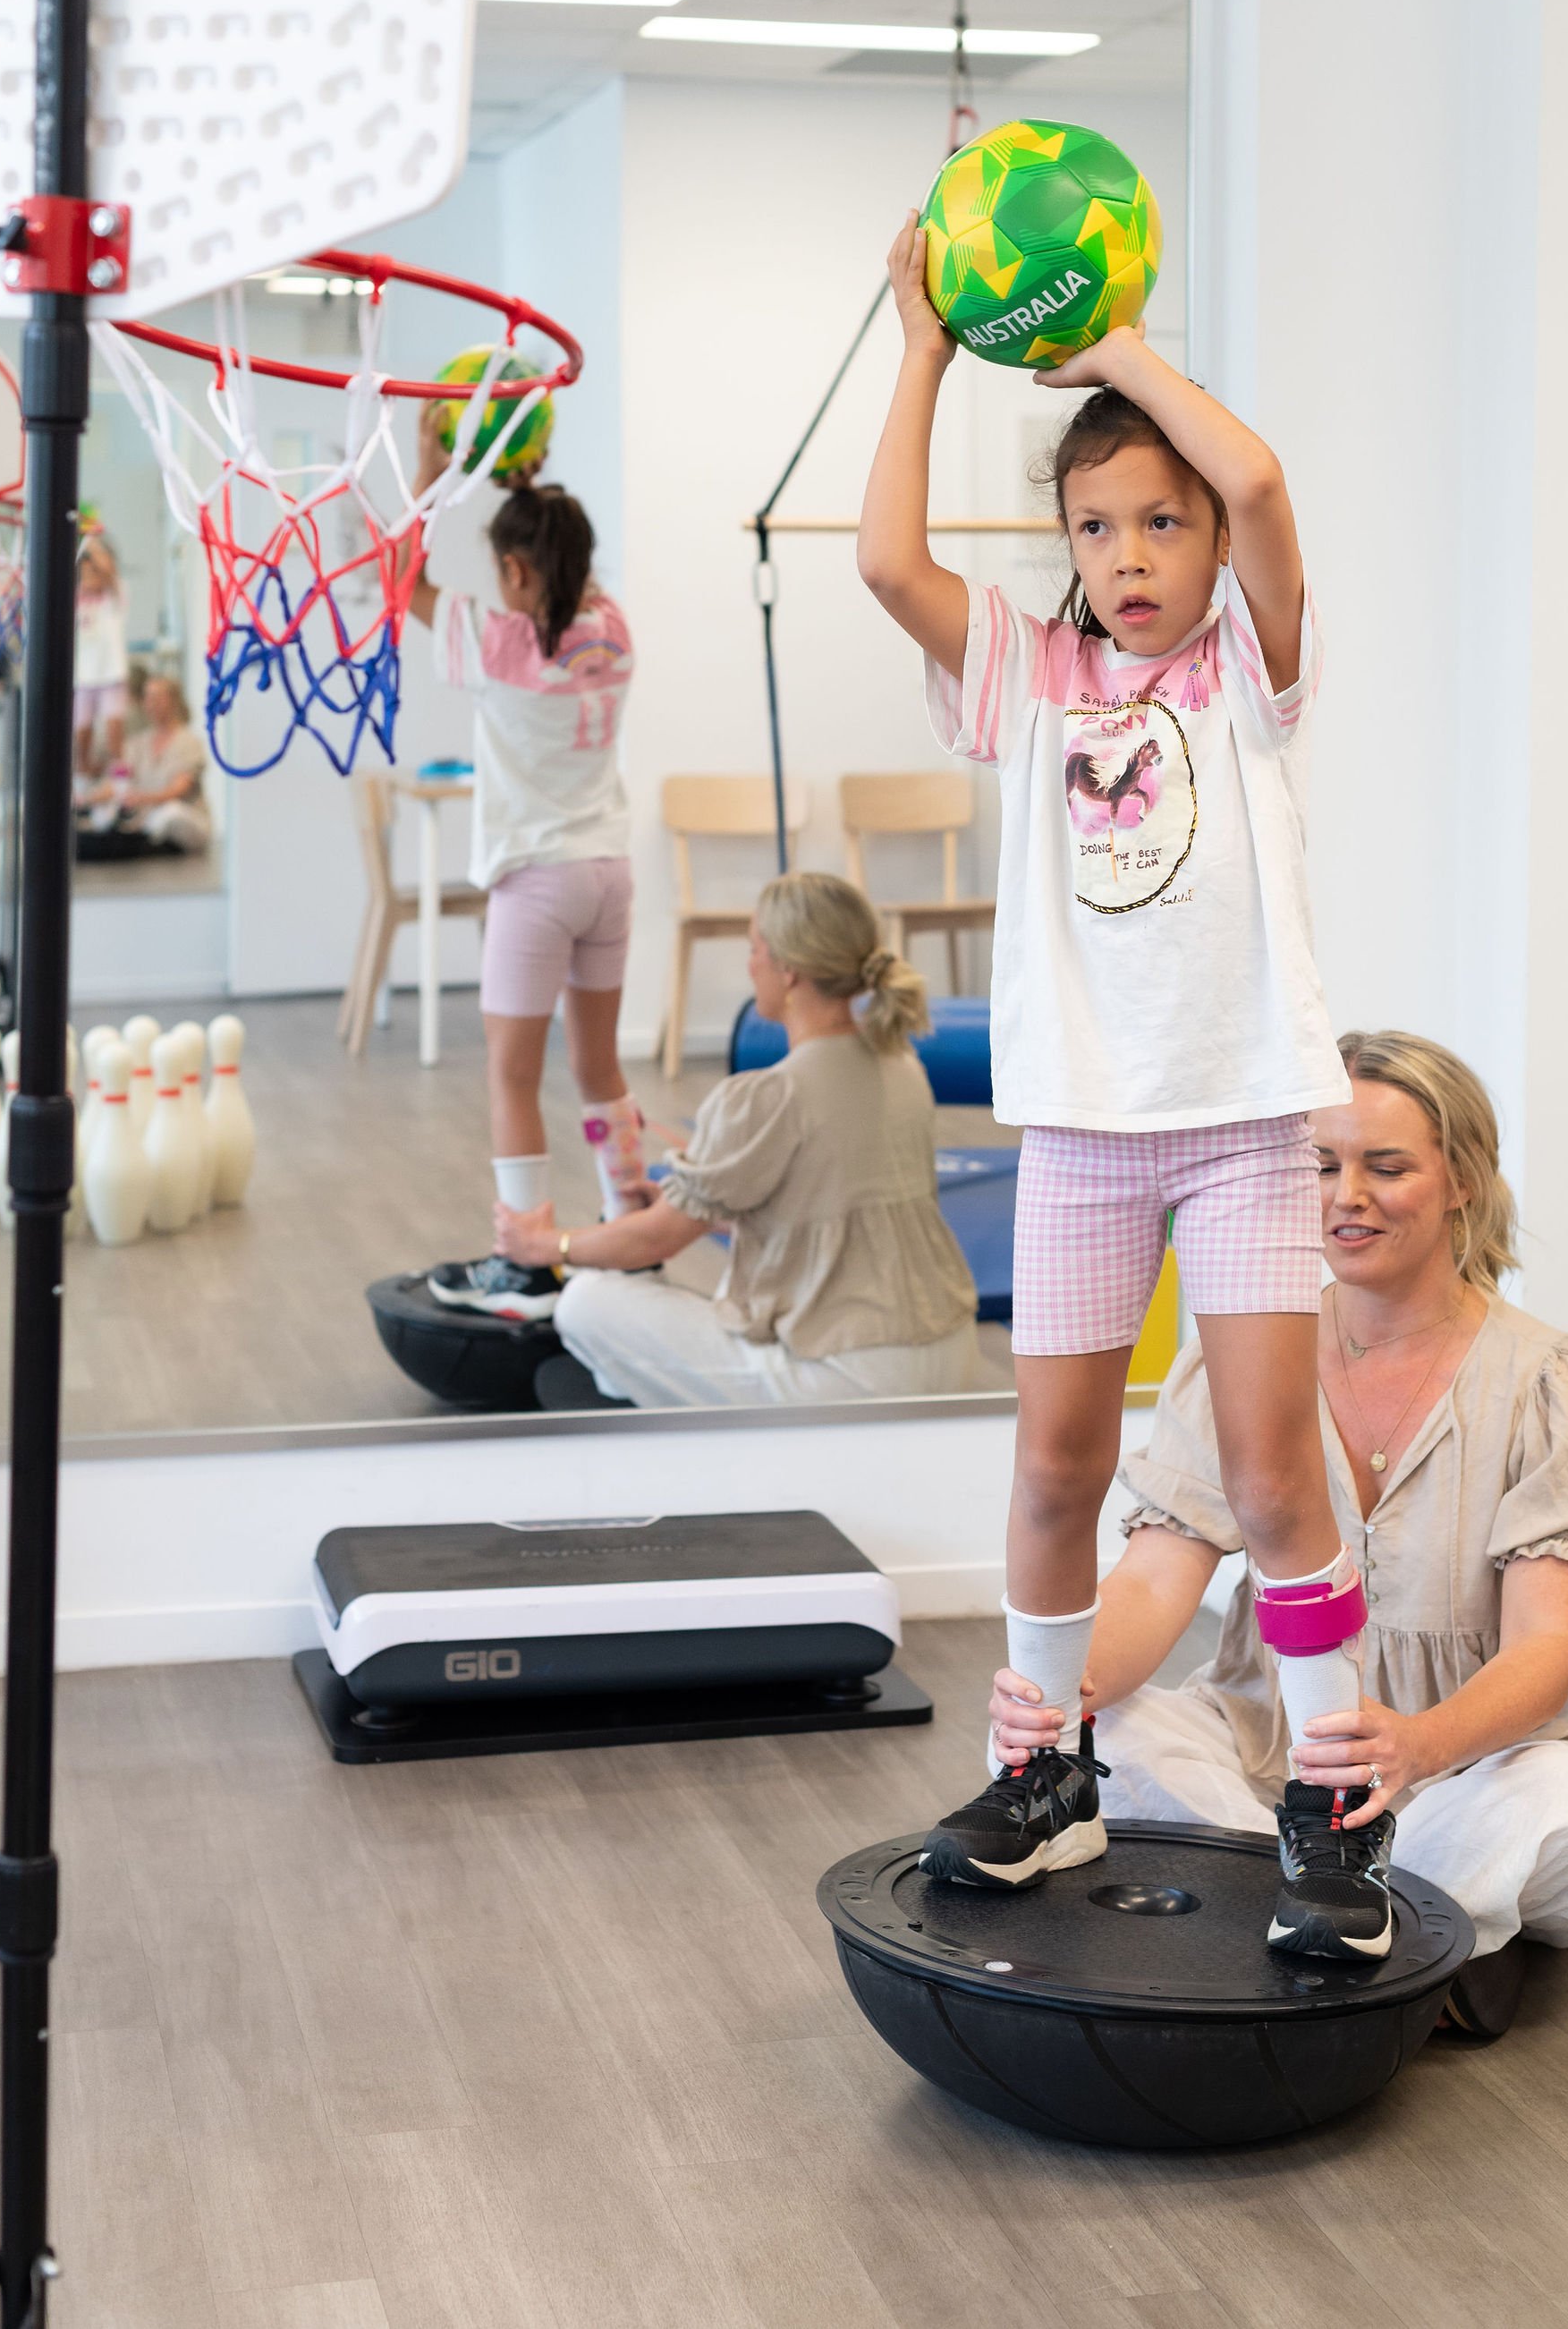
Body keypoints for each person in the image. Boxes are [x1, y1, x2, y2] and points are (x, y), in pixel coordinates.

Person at [859, 216, 1374, 1950]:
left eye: (1164, 521)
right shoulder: (1028, 674)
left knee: (1270, 1474)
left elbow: (1267, 476)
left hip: (1236, 1125)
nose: (1132, 552)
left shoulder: (1249, 673)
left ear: (1210, 545)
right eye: (1097, 524)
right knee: (1056, 1469)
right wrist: (927, 341)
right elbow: (879, 562)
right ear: (1062, 543)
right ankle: (1045, 1770)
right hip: (1081, 1130)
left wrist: (1119, 343)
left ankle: (1333, 1802)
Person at [987, 1031, 1568, 2011]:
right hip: (1275, 1781)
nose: (1346, 1196)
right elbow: (1155, 1576)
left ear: (1460, 1179)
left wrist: (1417, 1747)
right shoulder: (1234, 1366)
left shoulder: (1556, 1384)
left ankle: (1309, 1920)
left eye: (1385, 1167)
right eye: (1319, 1166)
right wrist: (1058, 1699)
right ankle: (1399, 1937)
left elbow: (1545, 1649)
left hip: (1474, 1767)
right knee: (1105, 1735)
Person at [492, 871, 987, 1408]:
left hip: (849, 1376)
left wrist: (545, 1245)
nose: (749, 965)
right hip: (951, 1352)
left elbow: (655, 1242)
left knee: (585, 1302)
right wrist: (708, 1210)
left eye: (754, 949)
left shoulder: (769, 1095)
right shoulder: (902, 1063)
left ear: (789, 970)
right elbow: (836, 1205)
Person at [407, 409, 640, 1318]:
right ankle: (628, 1227)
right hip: (608, 874)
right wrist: (523, 490)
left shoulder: (497, 643)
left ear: (512, 570)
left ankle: (522, 1255)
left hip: (537, 882)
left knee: (509, 1074)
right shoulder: (612, 628)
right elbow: (553, 560)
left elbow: (401, 580)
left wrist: (436, 469)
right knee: (596, 1068)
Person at [75, 671, 211, 861]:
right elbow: (116, 784)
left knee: (171, 813)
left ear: (172, 701)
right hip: (146, 820)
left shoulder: (189, 742)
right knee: (104, 814)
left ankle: (146, 843)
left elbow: (180, 788)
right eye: (147, 697)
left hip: (177, 818)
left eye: (156, 697)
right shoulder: (137, 744)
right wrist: (85, 800)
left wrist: (142, 798)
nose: (150, 703)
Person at [72, 524, 130, 783]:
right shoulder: (74, 597)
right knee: (81, 732)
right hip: (83, 675)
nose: (91, 576)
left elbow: (108, 570)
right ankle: (82, 777)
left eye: (95, 571)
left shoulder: (113, 595)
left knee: (113, 728)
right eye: (86, 572)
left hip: (111, 672)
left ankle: (120, 779)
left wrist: (90, 539)